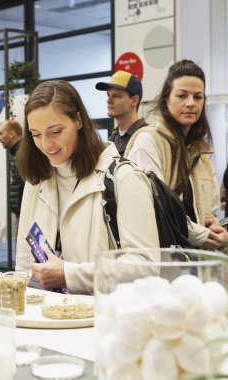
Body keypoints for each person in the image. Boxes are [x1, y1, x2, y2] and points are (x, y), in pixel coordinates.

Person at [15, 80, 159, 294]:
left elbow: (146, 267)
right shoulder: (37, 179)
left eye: (55, 131)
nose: (45, 144)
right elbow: (24, 263)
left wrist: (69, 274)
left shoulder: (124, 178)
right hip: (46, 318)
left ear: (79, 120)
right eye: (36, 134)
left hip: (102, 320)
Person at [124, 59, 228, 250]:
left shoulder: (201, 151)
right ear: (166, 100)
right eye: (182, 95)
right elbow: (155, 207)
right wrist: (202, 235)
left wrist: (216, 230)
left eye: (198, 97)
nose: (191, 103)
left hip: (197, 264)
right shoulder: (148, 142)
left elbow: (209, 212)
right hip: (162, 263)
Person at [95, 70, 147, 156]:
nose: (108, 100)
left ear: (134, 100)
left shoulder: (147, 137)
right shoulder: (112, 139)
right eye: (108, 95)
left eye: (116, 96)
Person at [0, 120, 25, 218]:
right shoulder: (17, 152)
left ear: (12, 134)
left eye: (0, 133)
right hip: (23, 213)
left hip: (26, 214)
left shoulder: (23, 154)